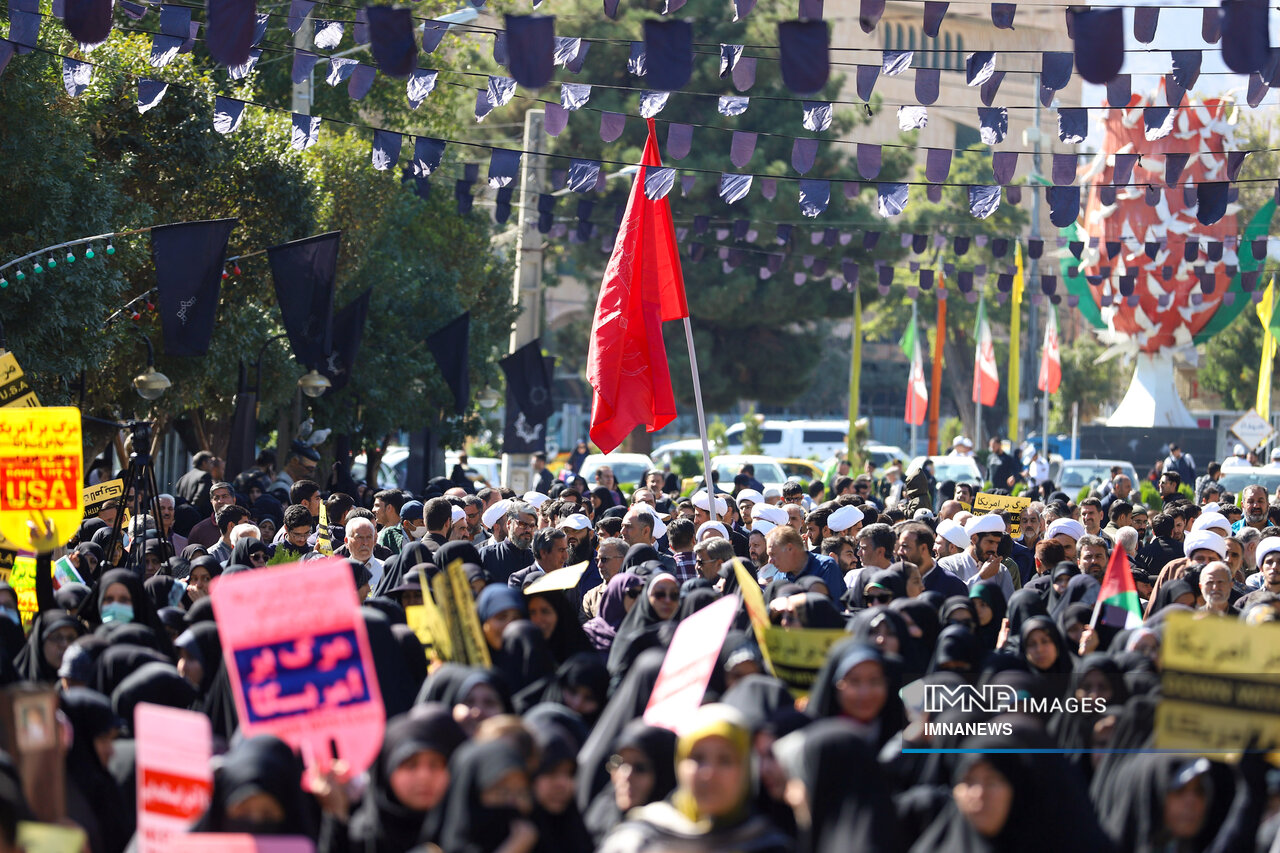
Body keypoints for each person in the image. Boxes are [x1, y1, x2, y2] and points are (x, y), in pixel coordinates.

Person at [600, 704, 790, 853]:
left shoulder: (769, 844)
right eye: (697, 758)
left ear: (746, 769)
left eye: (725, 760)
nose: (708, 773)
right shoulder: (637, 841)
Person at [175, 451, 219, 517]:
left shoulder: (184, 477)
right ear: (204, 463)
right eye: (211, 463)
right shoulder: (205, 476)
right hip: (197, 515)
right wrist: (193, 509)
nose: (212, 466)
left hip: (183, 514)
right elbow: (200, 496)